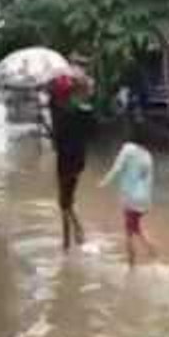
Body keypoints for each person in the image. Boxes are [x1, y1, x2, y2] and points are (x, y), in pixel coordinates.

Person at [99, 125, 157, 266]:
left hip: (131, 198)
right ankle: (152, 252)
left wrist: (104, 182)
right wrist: (148, 203)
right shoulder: (148, 156)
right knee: (135, 228)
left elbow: (117, 168)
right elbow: (149, 180)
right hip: (143, 199)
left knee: (129, 233)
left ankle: (133, 266)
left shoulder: (128, 149)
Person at [49, 71, 94, 250]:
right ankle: (71, 235)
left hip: (66, 160)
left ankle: (70, 238)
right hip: (79, 159)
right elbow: (92, 132)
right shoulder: (83, 111)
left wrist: (51, 133)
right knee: (66, 199)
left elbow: (58, 139)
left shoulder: (61, 113)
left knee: (64, 200)